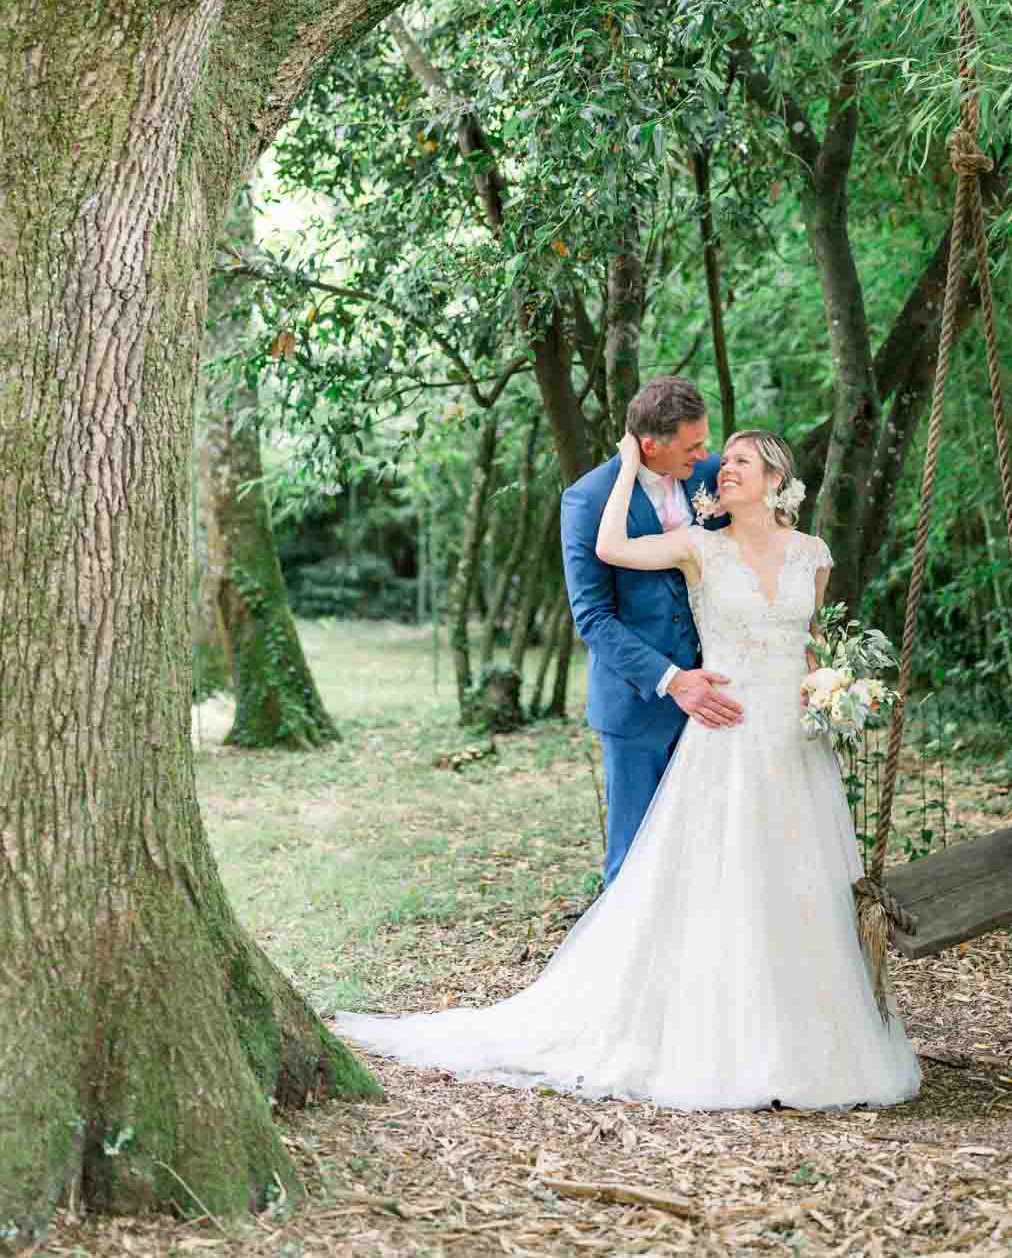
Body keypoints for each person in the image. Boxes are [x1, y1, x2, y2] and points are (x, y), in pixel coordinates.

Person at [335, 426, 922, 1112]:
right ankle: (723, 1040)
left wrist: (831, 691)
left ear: (774, 477)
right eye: (721, 460)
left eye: (739, 461)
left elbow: (814, 640)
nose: (722, 469)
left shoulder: (813, 554)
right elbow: (610, 548)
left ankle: (812, 1045)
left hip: (796, 745)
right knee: (723, 884)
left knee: (799, 883)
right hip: (725, 736)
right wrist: (623, 468)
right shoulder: (700, 547)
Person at [560, 375, 739, 887]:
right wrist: (673, 680)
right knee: (634, 862)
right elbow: (592, 617)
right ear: (649, 445)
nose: (706, 454)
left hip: (716, 699)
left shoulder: (707, 476)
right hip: (638, 707)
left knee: (708, 853)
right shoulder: (588, 500)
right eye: (693, 444)